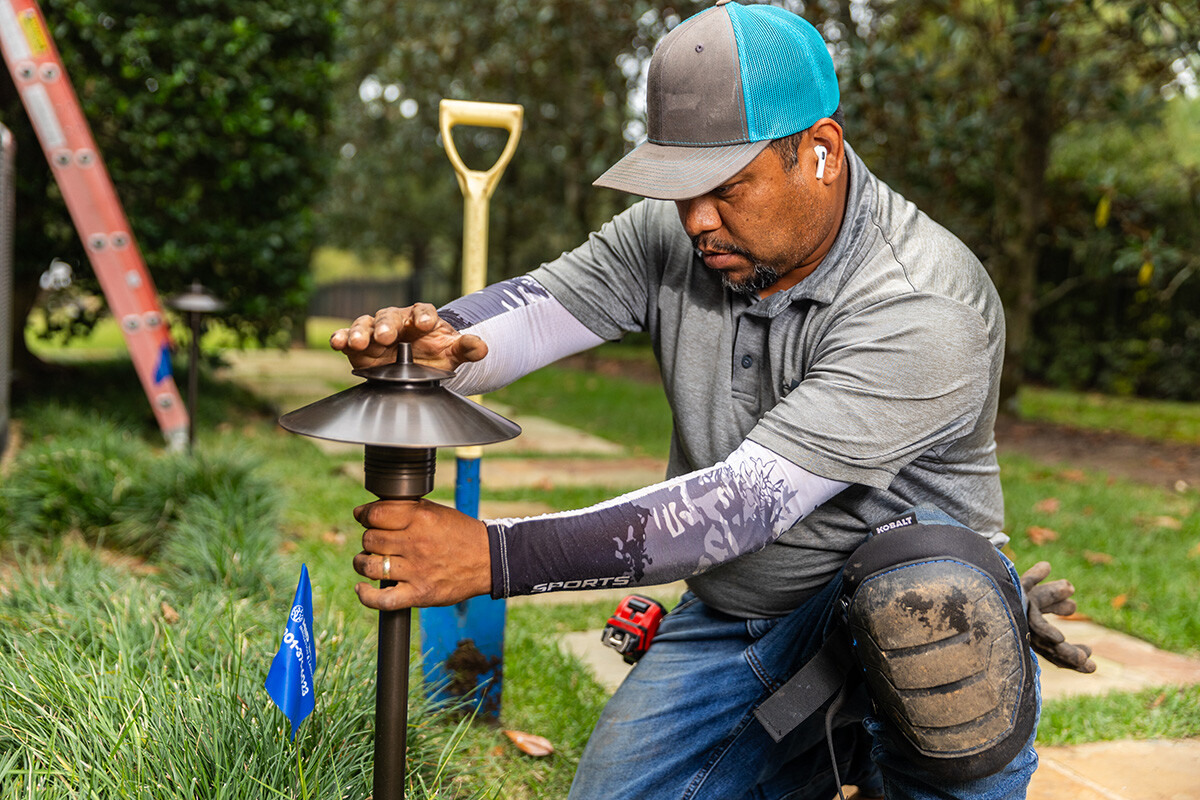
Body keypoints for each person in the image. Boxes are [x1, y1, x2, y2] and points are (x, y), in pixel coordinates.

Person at [331, 3, 1095, 798]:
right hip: (742, 618)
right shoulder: (675, 236)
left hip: (915, 615)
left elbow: (740, 505)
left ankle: (907, 736)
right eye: (678, 189)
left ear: (821, 153)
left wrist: (491, 557)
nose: (696, 220)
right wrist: (435, 345)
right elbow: (532, 316)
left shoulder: (923, 302)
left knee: (924, 597)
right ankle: (812, 746)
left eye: (727, 187)